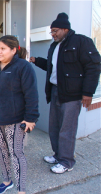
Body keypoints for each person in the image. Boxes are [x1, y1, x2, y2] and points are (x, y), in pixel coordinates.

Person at [29, 13, 100, 174]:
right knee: (54, 127)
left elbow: (94, 67)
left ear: (65, 29)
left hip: (72, 95)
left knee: (67, 129)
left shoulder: (82, 42)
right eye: (51, 31)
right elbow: (52, 67)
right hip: (55, 91)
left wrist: (88, 92)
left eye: (55, 31)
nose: (52, 34)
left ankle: (67, 161)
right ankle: (58, 155)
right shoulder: (54, 46)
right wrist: (36, 60)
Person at [0, 35, 39, 194]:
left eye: (3, 48)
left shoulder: (23, 67)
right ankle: (7, 180)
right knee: (2, 151)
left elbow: (31, 94)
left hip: (16, 120)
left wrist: (31, 118)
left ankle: (21, 191)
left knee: (16, 153)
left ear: (14, 50)